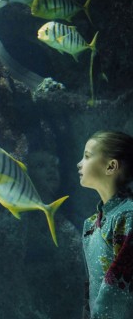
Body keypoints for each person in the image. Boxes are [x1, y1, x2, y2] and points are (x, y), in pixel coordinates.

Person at [77, 131, 133, 319]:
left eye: (86, 156)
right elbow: (91, 287)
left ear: (111, 166)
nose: (79, 163)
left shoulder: (128, 216)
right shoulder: (90, 225)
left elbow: (120, 288)